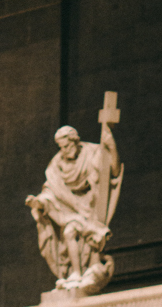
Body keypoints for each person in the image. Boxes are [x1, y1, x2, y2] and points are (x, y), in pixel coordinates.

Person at [26, 123, 123, 294]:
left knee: (88, 236)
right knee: (69, 232)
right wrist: (39, 203)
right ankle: (76, 273)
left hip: (91, 205)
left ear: (76, 141)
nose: (64, 150)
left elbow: (113, 171)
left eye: (67, 146)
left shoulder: (92, 152)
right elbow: (50, 190)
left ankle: (90, 269)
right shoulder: (57, 164)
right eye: (61, 147)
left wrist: (111, 146)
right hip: (69, 209)